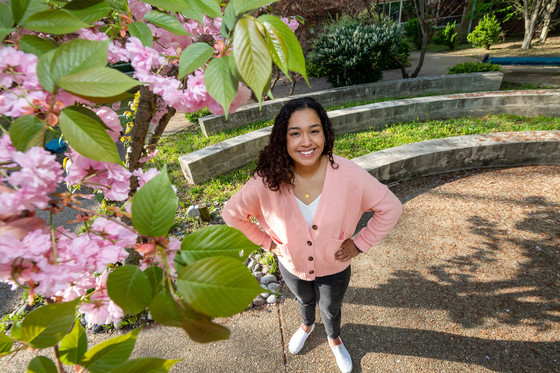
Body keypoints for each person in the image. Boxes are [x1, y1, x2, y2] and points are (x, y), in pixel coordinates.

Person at [222, 97, 402, 373]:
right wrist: (266, 242)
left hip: (335, 266)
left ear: (325, 133)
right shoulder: (267, 180)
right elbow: (232, 213)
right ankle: (306, 326)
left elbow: (390, 207)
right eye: (295, 133)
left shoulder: (348, 174)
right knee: (304, 300)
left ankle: (334, 338)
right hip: (292, 265)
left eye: (314, 130)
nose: (306, 141)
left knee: (331, 308)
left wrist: (360, 243)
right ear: (283, 138)